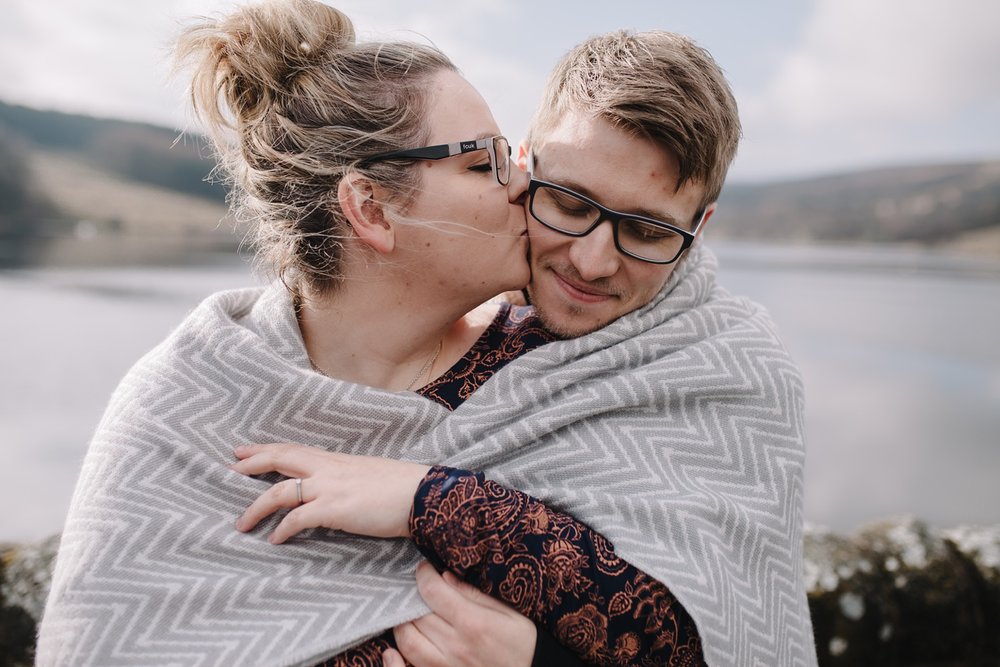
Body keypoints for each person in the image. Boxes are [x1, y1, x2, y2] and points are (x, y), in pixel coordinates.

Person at [231, 29, 816, 667]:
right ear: (525, 166)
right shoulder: (253, 364)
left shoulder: (731, 370)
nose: (593, 262)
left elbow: (718, 633)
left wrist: (434, 504)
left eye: (646, 230)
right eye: (568, 202)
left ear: (697, 227)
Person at [35, 0, 535, 664]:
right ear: (371, 209)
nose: (525, 182)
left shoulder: (553, 377)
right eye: (485, 163)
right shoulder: (179, 405)